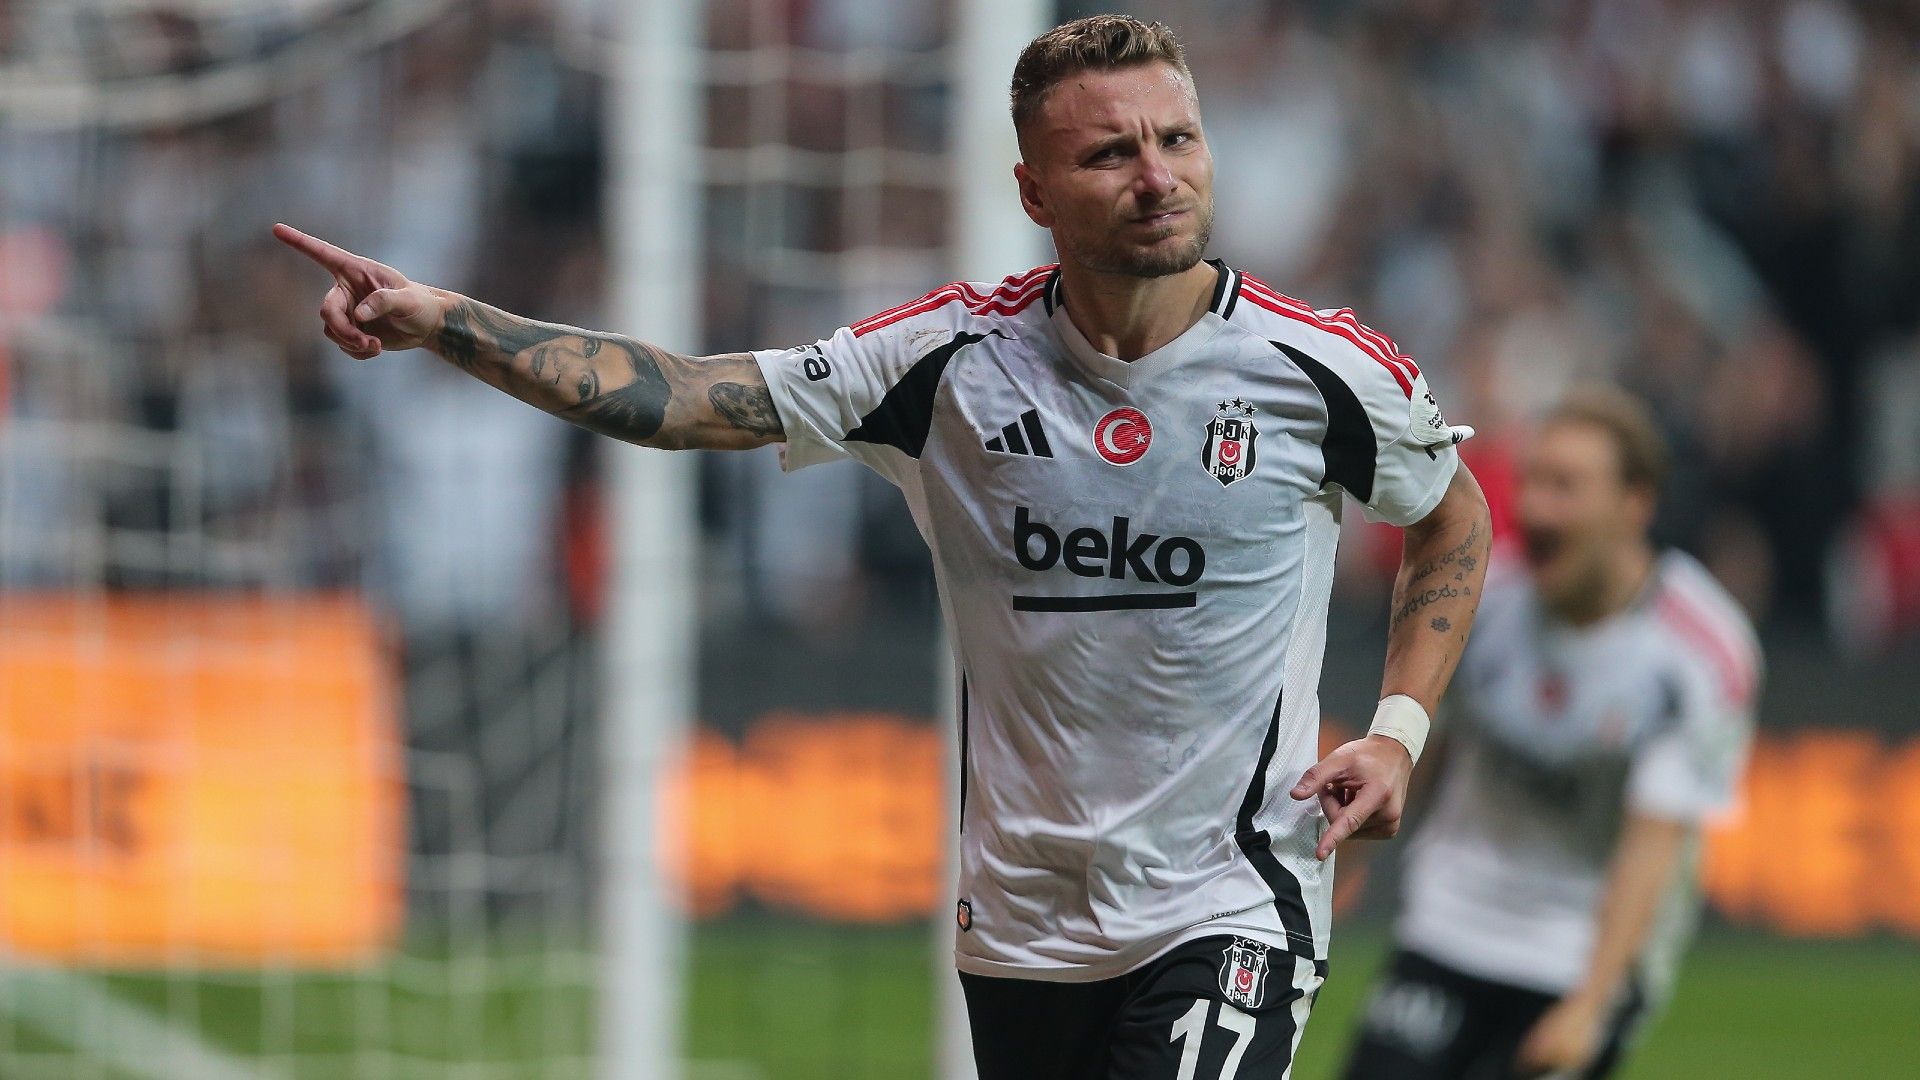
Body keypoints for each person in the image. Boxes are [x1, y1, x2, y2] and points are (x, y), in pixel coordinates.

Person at [278, 15, 1490, 1077]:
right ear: (1032, 191)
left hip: (1235, 899)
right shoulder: (944, 364)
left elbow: (1452, 518)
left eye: (1177, 140)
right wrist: (445, 322)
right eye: (1110, 151)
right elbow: (686, 396)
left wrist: (1396, 733)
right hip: (1022, 923)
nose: (1156, 176)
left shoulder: (1320, 372)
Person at [1340, 388, 1760, 1080]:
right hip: (1452, 919)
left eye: (1565, 487)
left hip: (1579, 949)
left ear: (1635, 504)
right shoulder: (1483, 599)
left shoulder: (1700, 653)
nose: (1534, 508)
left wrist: (1591, 1005)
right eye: (1532, 480)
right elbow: (1408, 757)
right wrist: (1323, 900)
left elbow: (1655, 844)